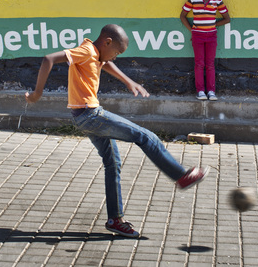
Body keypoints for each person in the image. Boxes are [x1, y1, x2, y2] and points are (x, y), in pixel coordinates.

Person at [25, 24, 208, 238]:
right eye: (117, 52)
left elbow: (105, 63)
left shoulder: (95, 53)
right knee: (145, 136)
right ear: (107, 42)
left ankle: (115, 220)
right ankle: (181, 176)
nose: (116, 57)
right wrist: (37, 94)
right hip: (91, 115)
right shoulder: (85, 51)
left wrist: (129, 81)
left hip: (83, 117)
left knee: (113, 163)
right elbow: (48, 59)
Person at [180, 0, 231, 101]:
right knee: (199, 64)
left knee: (210, 64)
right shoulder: (193, 0)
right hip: (197, 36)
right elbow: (182, 16)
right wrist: (192, 30)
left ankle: (211, 91)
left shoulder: (217, 1)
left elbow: (227, 19)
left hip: (211, 36)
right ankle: (201, 91)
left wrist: (214, 23)